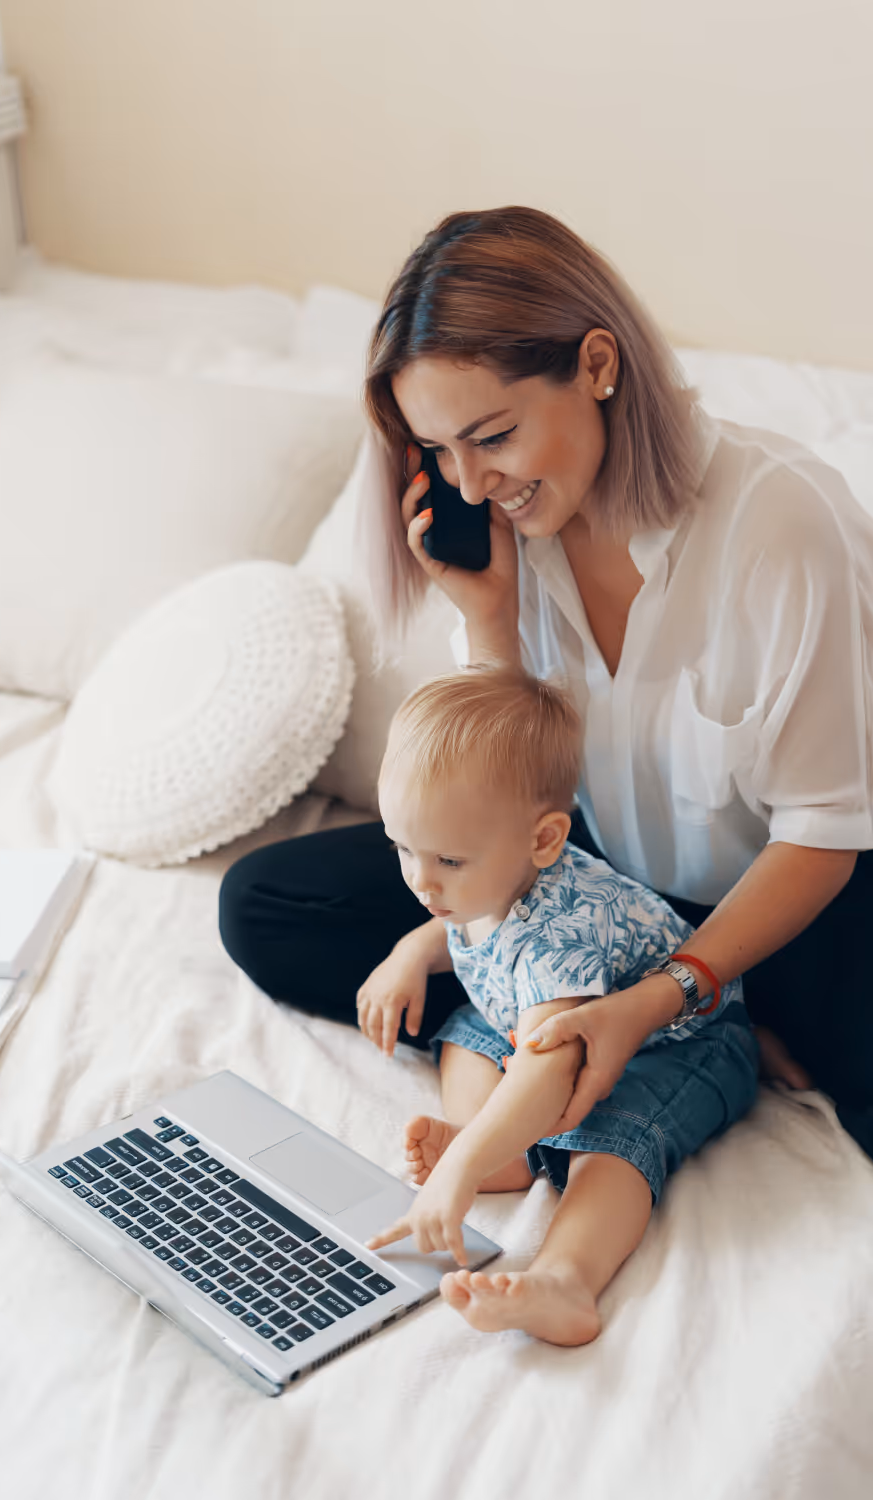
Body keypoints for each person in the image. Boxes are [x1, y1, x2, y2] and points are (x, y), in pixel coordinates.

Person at [219, 205, 873, 1156]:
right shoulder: (511, 538)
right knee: (267, 908)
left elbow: (823, 834)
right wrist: (489, 618)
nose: (471, 485)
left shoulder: (781, 525)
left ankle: (709, 1013)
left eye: (491, 436)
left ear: (598, 367)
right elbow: (507, 796)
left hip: (793, 893)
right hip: (590, 891)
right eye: (440, 453)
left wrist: (665, 993)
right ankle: (659, 1025)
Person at [362, 667, 757, 1343]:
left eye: (447, 861)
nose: (420, 881)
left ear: (544, 840)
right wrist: (409, 955)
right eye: (403, 848)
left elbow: (547, 1080)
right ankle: (499, 1147)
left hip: (679, 1046)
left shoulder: (559, 939)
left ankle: (566, 1280)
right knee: (466, 1032)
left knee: (615, 1139)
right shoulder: (489, 870)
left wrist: (454, 1175)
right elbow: (464, 919)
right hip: (550, 1025)